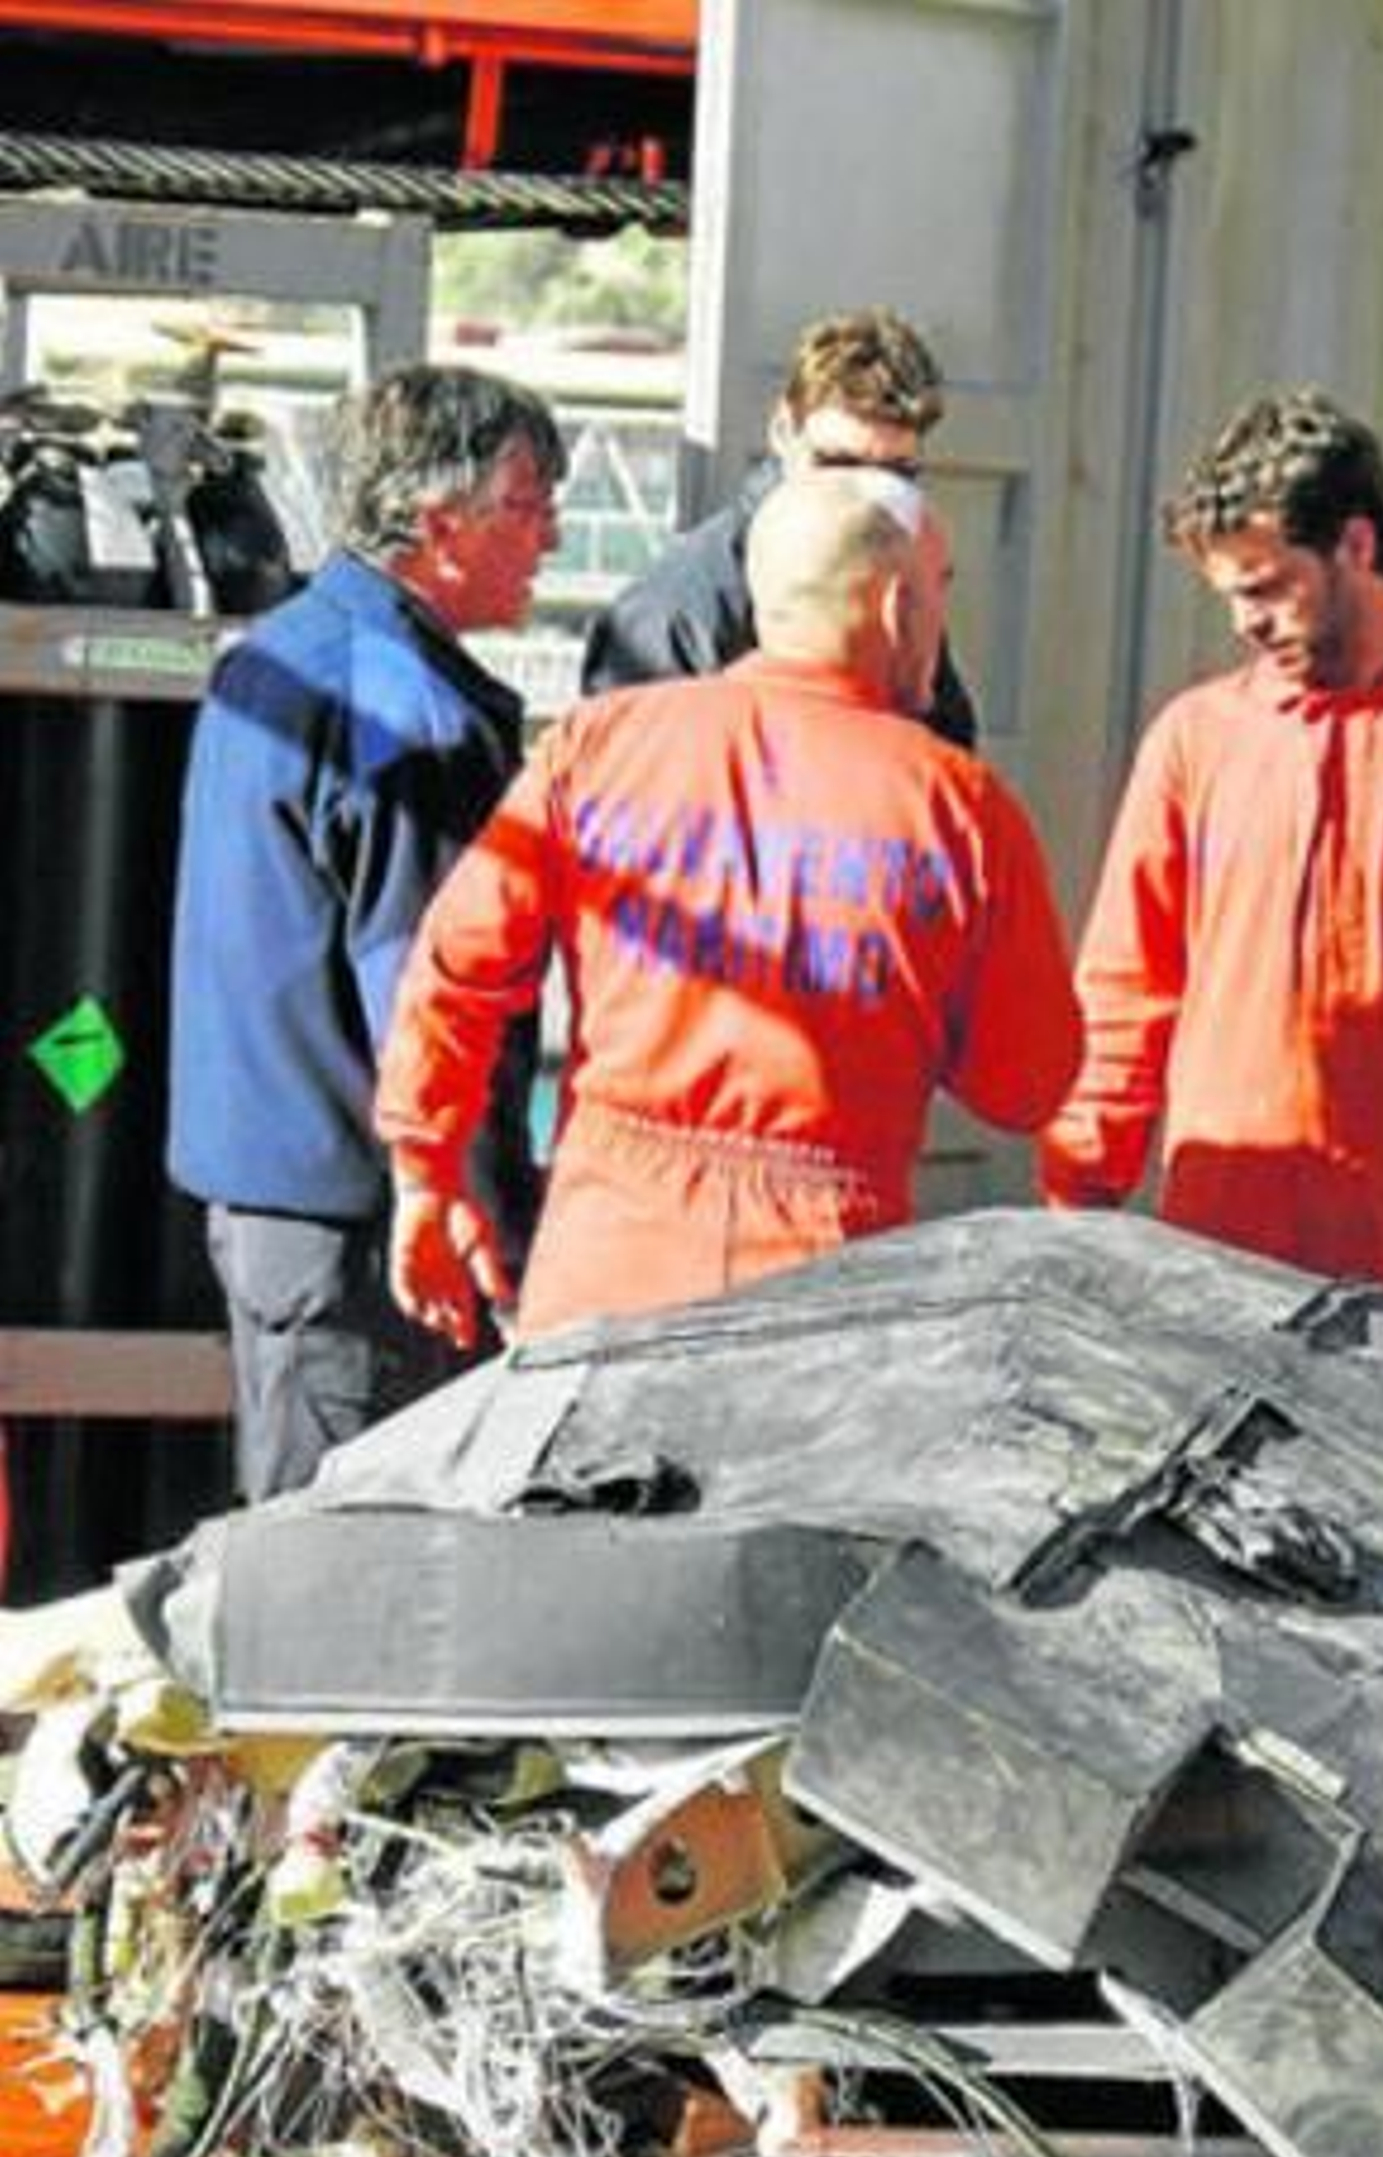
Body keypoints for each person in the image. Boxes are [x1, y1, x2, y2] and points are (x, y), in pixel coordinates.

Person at [375, 467, 1080, 1344]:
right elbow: (1025, 1083)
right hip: (823, 1284)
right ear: (899, 607)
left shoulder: (598, 744)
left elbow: (456, 971)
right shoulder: (959, 807)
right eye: (940, 590)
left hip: (604, 1262)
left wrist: (424, 1174)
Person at [1039, 386, 1383, 1302]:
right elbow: (1123, 992)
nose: (1245, 623)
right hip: (1214, 1263)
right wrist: (1078, 1204)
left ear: (1357, 544)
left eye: (1265, 588)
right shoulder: (1196, 740)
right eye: (1229, 596)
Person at [167, 363, 567, 1500]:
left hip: (271, 1191)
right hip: (370, 1222)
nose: (550, 536)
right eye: (530, 504)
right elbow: (431, 993)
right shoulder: (412, 714)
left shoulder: (275, 654)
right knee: (349, 1560)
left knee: (290, 1517)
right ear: (440, 525)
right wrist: (468, 1205)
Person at [580, 305, 980, 750]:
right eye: (838, 464)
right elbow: (628, 793)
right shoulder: (674, 612)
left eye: (893, 475)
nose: (862, 495)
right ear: (783, 431)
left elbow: (943, 758)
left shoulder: (893, 581)